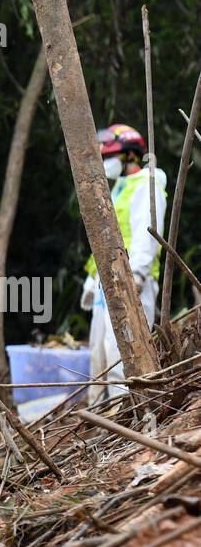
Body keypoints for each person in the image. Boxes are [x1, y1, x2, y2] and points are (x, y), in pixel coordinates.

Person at [80, 124, 167, 403]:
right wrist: (91, 284)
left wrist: (138, 275)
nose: (107, 163)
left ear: (131, 155)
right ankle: (101, 419)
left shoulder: (147, 184)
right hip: (107, 285)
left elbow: (146, 234)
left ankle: (125, 419)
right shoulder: (120, 187)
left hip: (132, 282)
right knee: (100, 355)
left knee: (123, 357)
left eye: (112, 156)